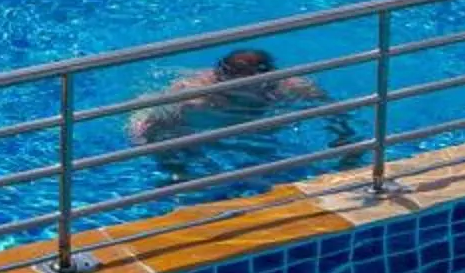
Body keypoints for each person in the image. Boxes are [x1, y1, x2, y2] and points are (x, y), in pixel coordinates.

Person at [129, 48, 349, 184]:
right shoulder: (196, 97)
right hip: (205, 132)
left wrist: (344, 141)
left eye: (264, 85)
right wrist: (171, 164)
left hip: (252, 135)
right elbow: (146, 119)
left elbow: (335, 111)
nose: (263, 92)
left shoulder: (290, 87)